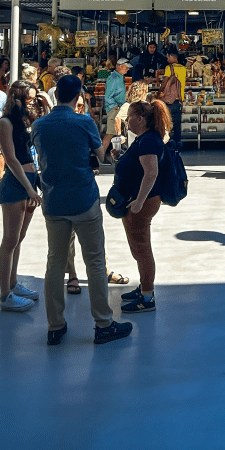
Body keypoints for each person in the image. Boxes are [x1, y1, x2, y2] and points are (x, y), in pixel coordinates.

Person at [32, 74, 133, 346]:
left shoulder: (39, 125)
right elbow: (100, 155)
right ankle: (103, 323)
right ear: (78, 96)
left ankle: (55, 326)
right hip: (84, 199)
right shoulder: (83, 121)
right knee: (95, 261)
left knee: (55, 262)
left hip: (53, 200)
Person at [112, 100, 172, 313]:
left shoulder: (148, 141)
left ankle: (147, 297)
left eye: (129, 117)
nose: (126, 120)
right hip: (138, 201)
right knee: (138, 247)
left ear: (140, 119)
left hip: (143, 203)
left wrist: (138, 202)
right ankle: (144, 287)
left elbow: (151, 172)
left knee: (142, 248)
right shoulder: (144, 139)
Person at [0, 80, 44, 311]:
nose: (31, 103)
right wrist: (28, 187)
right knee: (10, 240)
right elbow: (11, 159)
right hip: (17, 184)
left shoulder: (26, 121)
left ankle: (13, 283)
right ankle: (5, 294)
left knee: (19, 238)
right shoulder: (5, 123)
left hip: (30, 181)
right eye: (28, 99)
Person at [160, 49, 186, 145]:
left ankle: (168, 143)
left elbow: (164, 82)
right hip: (179, 100)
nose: (167, 59)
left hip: (169, 101)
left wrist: (159, 93)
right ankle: (177, 143)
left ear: (172, 57)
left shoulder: (169, 68)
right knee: (177, 124)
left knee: (167, 122)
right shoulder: (183, 68)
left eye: (168, 57)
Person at [103, 58, 130, 144]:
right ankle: (101, 156)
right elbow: (108, 96)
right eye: (126, 68)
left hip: (118, 108)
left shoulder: (119, 77)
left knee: (116, 133)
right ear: (120, 66)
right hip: (114, 109)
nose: (127, 69)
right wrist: (114, 107)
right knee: (110, 133)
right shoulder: (114, 78)